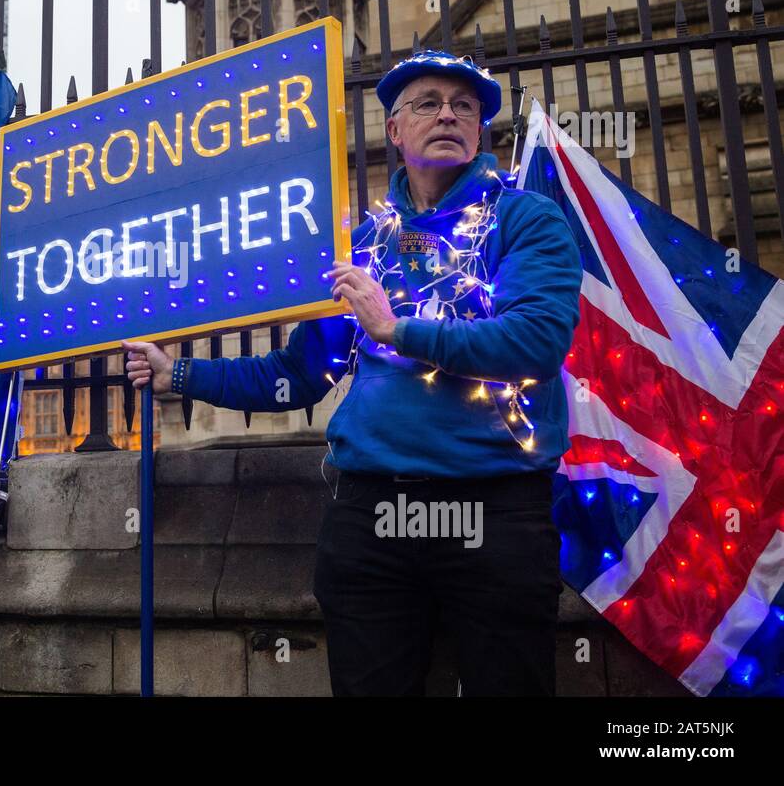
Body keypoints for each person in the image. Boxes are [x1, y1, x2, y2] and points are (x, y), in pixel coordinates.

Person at [123, 50, 583, 696]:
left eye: (465, 107)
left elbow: (534, 342)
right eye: (427, 102)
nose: (448, 114)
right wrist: (181, 378)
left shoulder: (527, 219)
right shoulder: (364, 244)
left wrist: (397, 329)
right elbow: (299, 374)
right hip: (371, 517)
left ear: (480, 131)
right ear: (394, 130)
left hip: (494, 512)